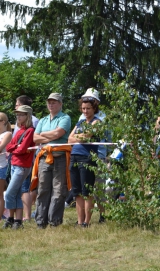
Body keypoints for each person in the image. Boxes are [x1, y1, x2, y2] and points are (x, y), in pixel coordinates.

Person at [31, 93, 71, 228]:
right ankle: (40, 222)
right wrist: (49, 136)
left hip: (60, 157)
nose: (51, 104)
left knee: (59, 190)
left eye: (54, 102)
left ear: (60, 104)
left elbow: (57, 134)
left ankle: (55, 221)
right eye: (49, 102)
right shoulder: (42, 120)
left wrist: (43, 135)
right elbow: (35, 138)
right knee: (42, 189)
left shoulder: (65, 118)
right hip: (43, 158)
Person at [68, 91, 102, 227]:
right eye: (83, 108)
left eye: (88, 108)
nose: (85, 111)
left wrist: (80, 136)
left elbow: (88, 136)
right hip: (74, 156)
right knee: (77, 192)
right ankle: (80, 220)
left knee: (86, 191)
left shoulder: (97, 122)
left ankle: (86, 222)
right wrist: (80, 137)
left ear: (94, 108)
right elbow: (70, 139)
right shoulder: (80, 122)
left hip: (87, 158)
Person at [3, 105, 36, 229]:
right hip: (14, 164)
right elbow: (8, 147)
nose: (18, 116)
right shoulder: (19, 130)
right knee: (16, 193)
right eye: (17, 115)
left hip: (22, 166)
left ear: (27, 116)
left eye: (21, 114)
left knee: (9, 193)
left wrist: (16, 148)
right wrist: (17, 147)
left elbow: (22, 149)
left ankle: (12, 218)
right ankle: (16, 220)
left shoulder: (30, 130)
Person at [78, 88, 107, 223]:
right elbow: (78, 135)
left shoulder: (102, 117)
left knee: (98, 187)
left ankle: (103, 215)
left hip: (99, 154)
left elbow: (100, 136)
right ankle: (83, 218)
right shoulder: (82, 116)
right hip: (83, 154)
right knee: (85, 188)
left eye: (91, 99)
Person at [13, 95, 39, 222]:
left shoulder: (33, 121)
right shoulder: (19, 121)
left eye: (17, 104)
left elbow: (28, 143)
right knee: (20, 188)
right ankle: (21, 215)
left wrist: (16, 149)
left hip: (26, 159)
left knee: (24, 188)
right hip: (16, 158)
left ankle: (27, 216)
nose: (15, 107)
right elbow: (13, 142)